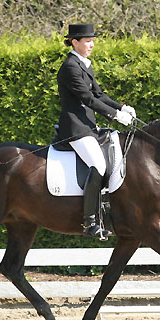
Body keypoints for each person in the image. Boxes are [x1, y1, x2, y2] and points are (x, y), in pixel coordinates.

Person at [56, 23, 136, 238]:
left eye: (93, 41)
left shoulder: (84, 64)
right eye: (87, 41)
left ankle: (106, 211)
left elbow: (99, 95)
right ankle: (89, 222)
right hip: (75, 127)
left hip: (89, 126)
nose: (92, 44)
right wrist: (116, 116)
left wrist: (121, 106)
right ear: (75, 42)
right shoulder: (70, 67)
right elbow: (87, 98)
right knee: (98, 165)